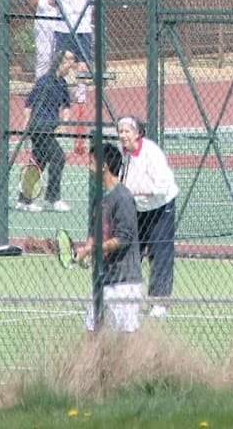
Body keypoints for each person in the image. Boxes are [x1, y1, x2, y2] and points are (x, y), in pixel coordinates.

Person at [73, 141, 143, 334]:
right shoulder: (100, 197)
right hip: (102, 280)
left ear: (103, 165)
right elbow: (95, 233)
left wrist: (92, 250)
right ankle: (91, 365)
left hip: (125, 282)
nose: (88, 167)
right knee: (92, 333)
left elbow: (123, 238)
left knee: (126, 340)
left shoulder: (123, 198)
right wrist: (85, 252)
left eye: (91, 162)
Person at [118, 114, 178, 317]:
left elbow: (162, 186)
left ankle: (159, 302)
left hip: (161, 206)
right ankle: (127, 297)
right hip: (137, 209)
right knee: (129, 252)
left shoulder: (151, 153)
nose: (123, 135)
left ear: (137, 133)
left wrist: (134, 191)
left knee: (160, 253)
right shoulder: (121, 153)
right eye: (121, 131)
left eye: (127, 131)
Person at [15, 52, 73, 213]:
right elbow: (28, 106)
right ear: (61, 63)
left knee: (38, 163)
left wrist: (64, 123)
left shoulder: (62, 83)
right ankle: (54, 198)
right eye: (70, 61)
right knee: (58, 158)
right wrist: (25, 128)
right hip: (39, 127)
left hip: (49, 128)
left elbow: (66, 106)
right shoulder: (44, 81)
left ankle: (23, 200)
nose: (72, 65)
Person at [31, 0, 63, 78]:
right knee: (43, 56)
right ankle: (40, 82)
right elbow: (33, 4)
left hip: (57, 25)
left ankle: (54, 82)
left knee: (56, 55)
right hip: (42, 25)